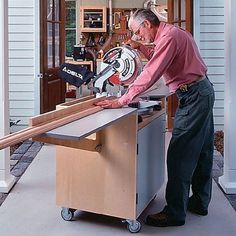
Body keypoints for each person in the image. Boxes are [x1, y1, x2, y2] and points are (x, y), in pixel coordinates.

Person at [95, 9, 215, 227]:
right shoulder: (172, 33)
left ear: (147, 24)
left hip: (194, 96)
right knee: (203, 151)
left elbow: (152, 72)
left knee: (179, 154)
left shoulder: (168, 37)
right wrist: (141, 48)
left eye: (137, 31)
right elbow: (163, 60)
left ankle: (175, 213)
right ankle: (199, 202)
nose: (137, 36)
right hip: (202, 91)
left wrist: (122, 100)